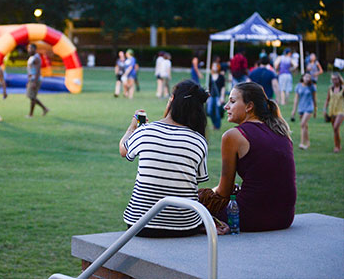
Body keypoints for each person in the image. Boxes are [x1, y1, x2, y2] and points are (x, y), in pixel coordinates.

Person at [200, 82, 296, 232]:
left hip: (250, 217)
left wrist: (203, 195)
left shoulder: (233, 136)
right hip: (284, 218)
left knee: (195, 201)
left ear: (249, 106)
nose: (226, 106)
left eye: (232, 101)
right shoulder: (281, 132)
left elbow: (224, 191)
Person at [119, 80, 209, 238]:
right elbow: (196, 180)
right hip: (185, 225)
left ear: (172, 100)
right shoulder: (198, 141)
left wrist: (132, 127)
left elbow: (123, 150)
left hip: (140, 224)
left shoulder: (146, 131)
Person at [291, 73, 317, 150]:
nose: (307, 79)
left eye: (309, 77)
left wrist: (315, 110)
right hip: (301, 108)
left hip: (309, 108)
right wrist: (294, 111)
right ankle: (308, 142)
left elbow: (314, 99)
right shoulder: (298, 86)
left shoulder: (312, 87)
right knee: (305, 126)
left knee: (302, 124)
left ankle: (302, 143)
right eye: (306, 77)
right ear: (303, 77)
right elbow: (296, 99)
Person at [26, 44, 49, 117]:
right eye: (28, 48)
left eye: (31, 48)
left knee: (32, 97)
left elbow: (38, 71)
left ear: (34, 49)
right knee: (31, 96)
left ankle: (31, 114)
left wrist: (34, 82)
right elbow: (30, 71)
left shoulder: (36, 58)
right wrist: (28, 81)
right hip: (31, 79)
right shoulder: (31, 58)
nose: (29, 50)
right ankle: (44, 108)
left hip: (35, 80)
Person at [323, 73, 344, 153]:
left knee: (335, 127)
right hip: (332, 111)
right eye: (333, 79)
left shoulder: (343, 88)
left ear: (339, 79)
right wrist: (324, 109)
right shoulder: (330, 88)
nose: (334, 81)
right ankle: (338, 145)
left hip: (341, 111)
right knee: (335, 130)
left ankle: (337, 147)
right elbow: (327, 99)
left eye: (336, 79)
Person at [207, 56, 226, 130]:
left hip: (218, 96)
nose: (214, 67)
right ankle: (214, 123)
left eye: (215, 66)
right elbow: (209, 87)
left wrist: (222, 97)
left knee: (217, 112)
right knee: (209, 111)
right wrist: (208, 96)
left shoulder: (221, 77)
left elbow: (223, 87)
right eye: (213, 66)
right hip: (211, 96)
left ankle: (217, 126)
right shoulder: (210, 76)